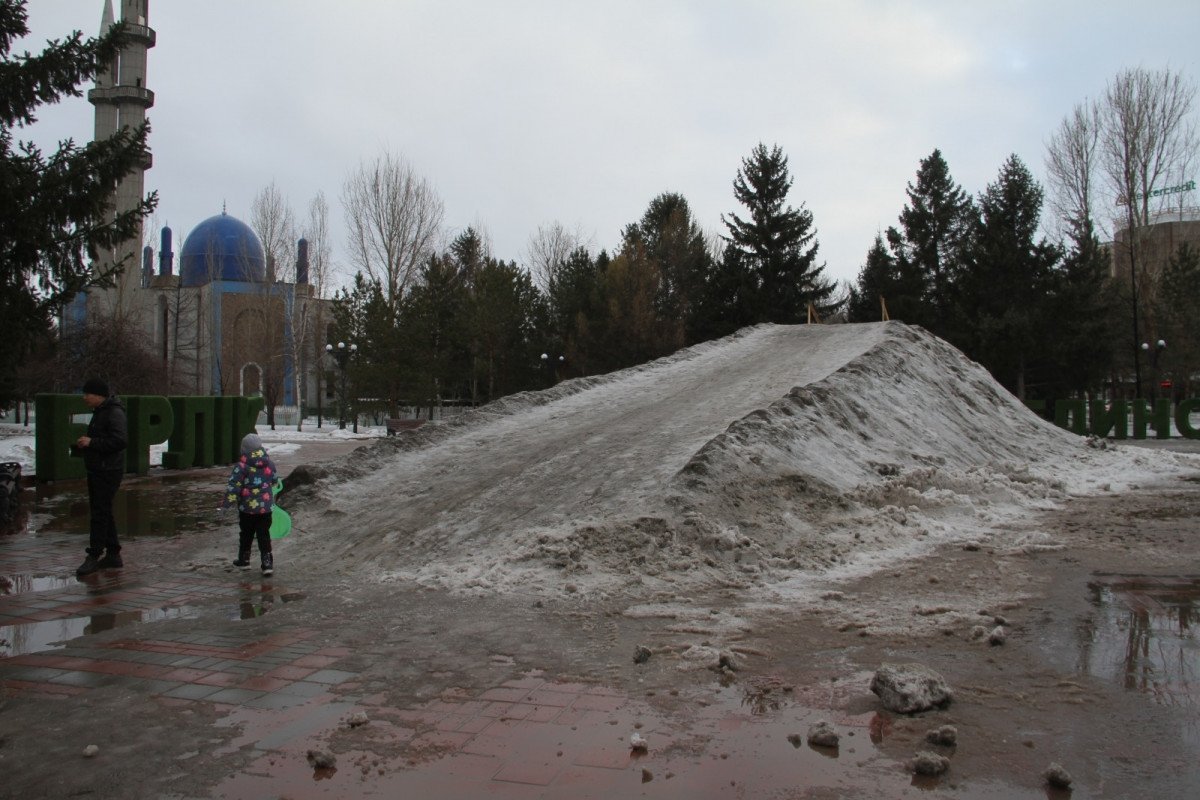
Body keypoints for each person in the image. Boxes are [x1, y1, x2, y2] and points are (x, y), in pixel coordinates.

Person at [74, 378, 127, 576]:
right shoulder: (102, 412)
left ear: (99, 395)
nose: (85, 397)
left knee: (99, 513)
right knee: (103, 510)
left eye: (88, 393)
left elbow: (120, 441)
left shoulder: (114, 412)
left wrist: (92, 443)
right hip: (99, 468)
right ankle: (113, 554)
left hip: (108, 470)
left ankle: (94, 555)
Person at [222, 433, 276, 576]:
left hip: (247, 509)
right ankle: (267, 563)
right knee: (264, 535)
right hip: (265, 509)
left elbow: (234, 487)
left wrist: (226, 504)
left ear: (244, 449)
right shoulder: (269, 463)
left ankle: (244, 560)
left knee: (246, 534)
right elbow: (275, 480)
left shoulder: (241, 466)